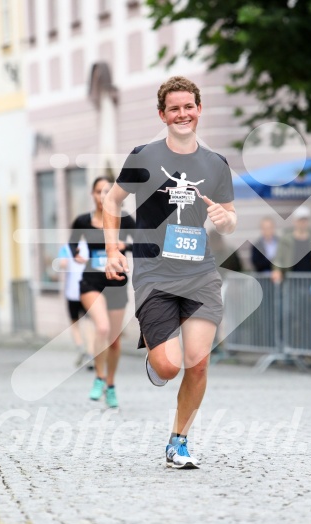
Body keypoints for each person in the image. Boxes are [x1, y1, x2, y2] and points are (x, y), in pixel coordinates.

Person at [103, 76, 236, 469]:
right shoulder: (144, 156)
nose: (183, 114)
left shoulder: (215, 164)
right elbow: (112, 202)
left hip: (200, 273)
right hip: (154, 273)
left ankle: (179, 441)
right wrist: (113, 250)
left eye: (189, 107)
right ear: (162, 114)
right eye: (174, 108)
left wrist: (222, 218)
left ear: (199, 110)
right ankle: (156, 353)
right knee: (169, 366)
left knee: (197, 362)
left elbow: (230, 220)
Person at [69, 177, 136, 408]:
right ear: (92, 194)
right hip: (90, 282)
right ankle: (98, 376)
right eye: (98, 191)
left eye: (107, 191)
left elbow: (142, 242)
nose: (102, 196)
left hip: (116, 282)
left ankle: (111, 384)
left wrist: (124, 246)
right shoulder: (82, 221)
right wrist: (76, 254)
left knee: (114, 342)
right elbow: (72, 243)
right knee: (103, 327)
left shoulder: (125, 220)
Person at [58, 240, 94, 367]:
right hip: (87, 290)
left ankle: (81, 348)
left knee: (75, 323)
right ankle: (90, 353)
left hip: (72, 292)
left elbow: (62, 264)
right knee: (89, 322)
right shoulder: (90, 246)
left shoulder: (66, 248)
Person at [271, 206, 311, 283]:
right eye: (300, 220)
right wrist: (277, 270)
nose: (303, 222)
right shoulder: (285, 240)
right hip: (291, 281)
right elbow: (278, 258)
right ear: (294, 221)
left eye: (305, 220)